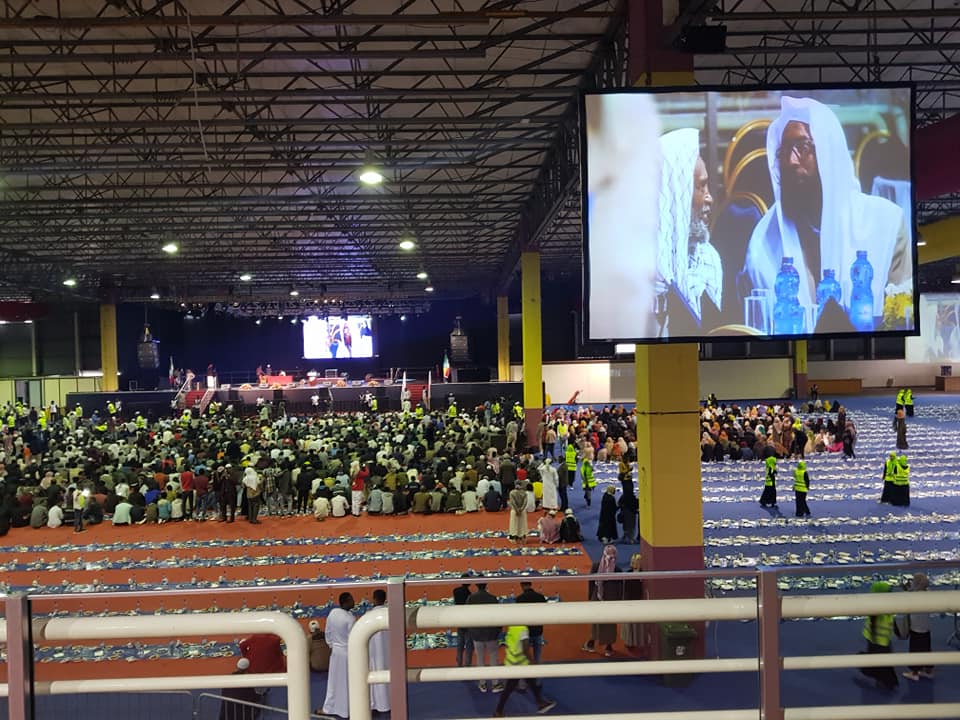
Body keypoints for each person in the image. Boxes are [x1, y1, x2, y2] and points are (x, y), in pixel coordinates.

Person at [741, 96, 911, 334]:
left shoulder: (886, 225)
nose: (791, 161)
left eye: (803, 147)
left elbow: (902, 323)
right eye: (784, 151)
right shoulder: (763, 241)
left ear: (829, 153)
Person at [653, 128, 721, 337]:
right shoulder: (642, 269)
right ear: (677, 192)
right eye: (702, 186)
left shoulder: (708, 257)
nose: (709, 198)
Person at [492, 621, 558, 717]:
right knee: (509, 688)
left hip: (512, 661)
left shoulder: (513, 626)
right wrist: (532, 662)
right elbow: (525, 649)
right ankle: (498, 711)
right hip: (520, 664)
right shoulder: (523, 630)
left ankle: (540, 703)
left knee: (531, 683)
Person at [321, 592, 356, 719]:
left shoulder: (333, 613)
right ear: (345, 602)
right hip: (347, 653)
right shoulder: (350, 618)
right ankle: (348, 708)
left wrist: (332, 645)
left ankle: (331, 707)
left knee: (334, 682)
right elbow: (354, 638)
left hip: (335, 652)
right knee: (347, 682)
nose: (354, 602)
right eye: (351, 600)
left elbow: (328, 632)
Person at [859, 581, 898, 691]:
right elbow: (875, 621)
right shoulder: (880, 607)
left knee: (879, 660)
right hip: (878, 639)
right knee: (881, 661)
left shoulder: (881, 604)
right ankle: (885, 680)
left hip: (879, 638)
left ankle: (884, 680)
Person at [582, 544, 621, 656]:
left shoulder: (597, 566)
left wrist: (590, 597)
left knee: (600, 622)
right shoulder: (616, 570)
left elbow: (591, 583)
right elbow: (619, 588)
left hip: (601, 598)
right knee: (607, 622)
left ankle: (594, 644)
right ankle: (606, 646)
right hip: (607, 599)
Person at [466, 581, 502, 693]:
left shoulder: (471, 598)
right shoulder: (492, 598)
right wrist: (498, 630)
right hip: (491, 633)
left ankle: (482, 683)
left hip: (476, 633)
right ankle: (495, 683)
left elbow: (467, 615)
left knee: (480, 659)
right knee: (493, 658)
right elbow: (498, 616)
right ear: (486, 585)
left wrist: (471, 630)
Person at [901, 573, 934, 681]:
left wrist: (906, 589)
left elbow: (908, 600)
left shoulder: (914, 596)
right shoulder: (929, 593)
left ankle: (914, 672)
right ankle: (928, 671)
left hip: (915, 628)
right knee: (927, 649)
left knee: (915, 649)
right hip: (926, 627)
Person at [367, 589, 390, 715]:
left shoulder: (369, 615)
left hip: (375, 653)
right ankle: (389, 703)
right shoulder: (390, 613)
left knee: (376, 677)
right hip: (389, 652)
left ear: (374, 599)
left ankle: (377, 704)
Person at [515, 580, 548, 664]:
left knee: (525, 655)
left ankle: (527, 670)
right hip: (538, 629)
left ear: (521, 586)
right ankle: (537, 669)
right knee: (538, 655)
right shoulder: (540, 597)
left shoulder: (519, 599)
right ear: (530, 584)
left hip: (525, 631)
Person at [452, 577, 474, 668]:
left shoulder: (455, 591)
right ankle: (467, 664)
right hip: (467, 619)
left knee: (460, 643)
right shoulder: (470, 594)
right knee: (468, 644)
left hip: (459, 618)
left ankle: (459, 663)